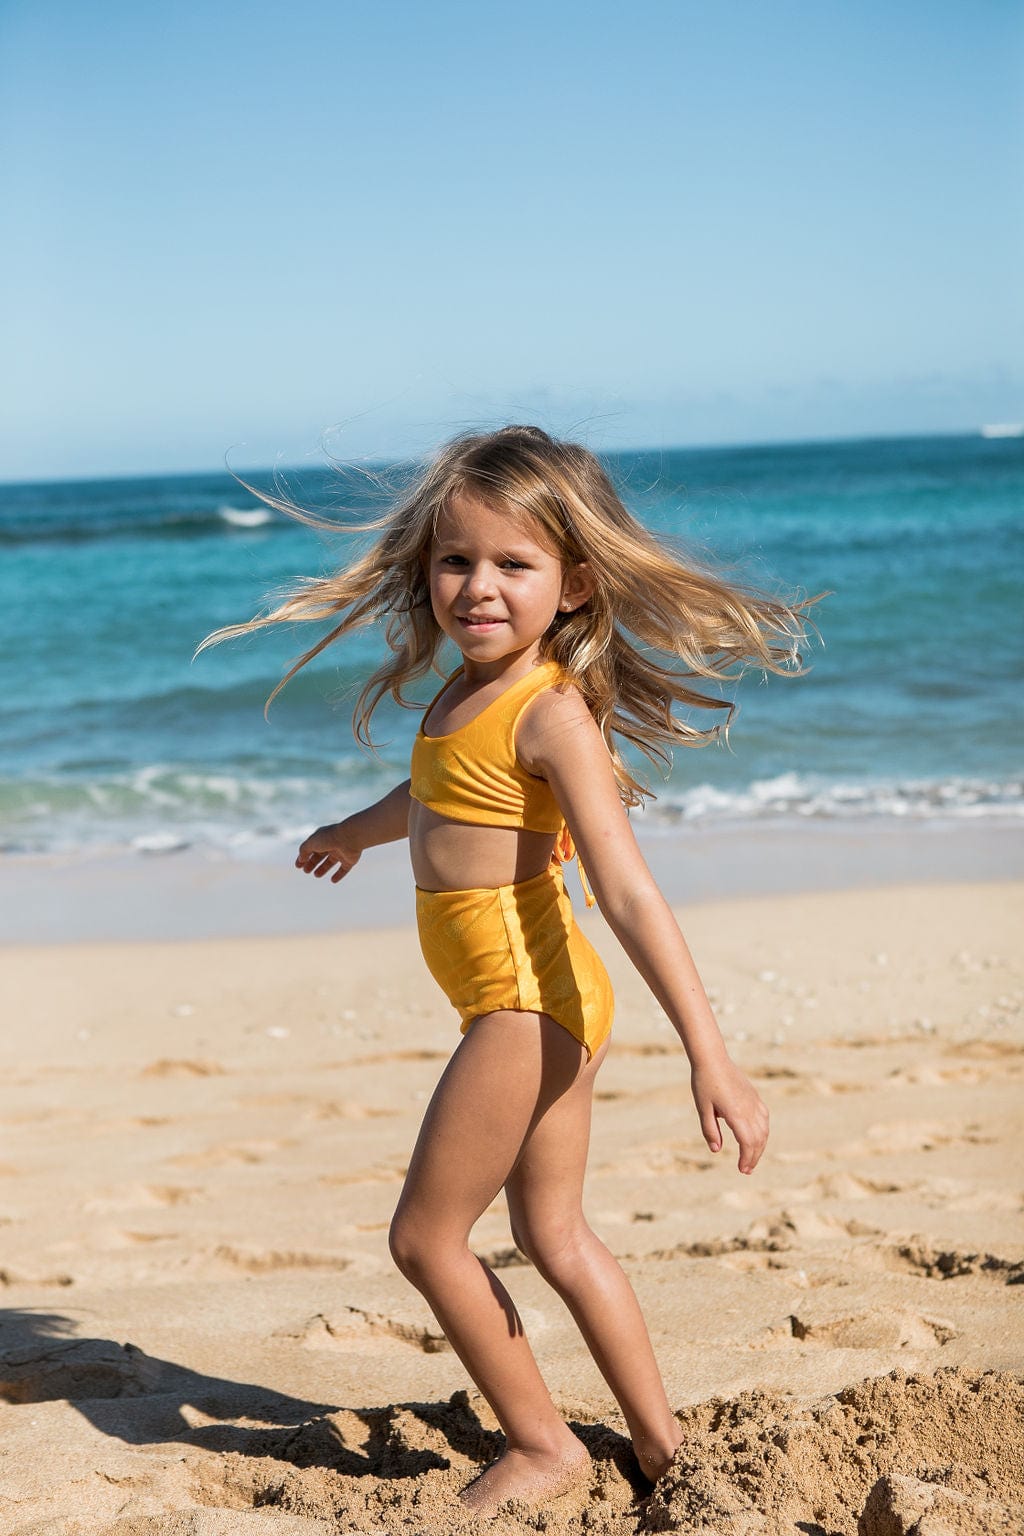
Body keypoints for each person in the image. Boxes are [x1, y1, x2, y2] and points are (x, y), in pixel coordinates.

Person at [201, 425, 815, 1517]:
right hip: (539, 1003)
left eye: (513, 564)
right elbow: (439, 797)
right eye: (454, 560)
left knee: (425, 1238)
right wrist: (354, 827)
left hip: (528, 1007)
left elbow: (626, 889)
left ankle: (543, 1446)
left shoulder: (548, 713)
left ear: (575, 583)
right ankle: (666, 1450)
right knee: (555, 1237)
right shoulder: (459, 698)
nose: (477, 587)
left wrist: (709, 1057)